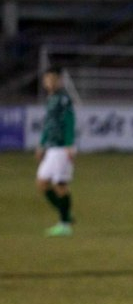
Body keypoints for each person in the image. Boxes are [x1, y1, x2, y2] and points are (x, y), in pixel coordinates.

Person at [35, 66, 76, 237]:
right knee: (42, 183)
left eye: (52, 79)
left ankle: (64, 224)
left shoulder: (64, 99)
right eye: (46, 79)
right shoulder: (51, 98)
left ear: (59, 80)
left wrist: (69, 144)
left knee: (60, 185)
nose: (48, 82)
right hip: (51, 147)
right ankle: (66, 215)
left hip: (61, 147)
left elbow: (69, 121)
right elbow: (48, 124)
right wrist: (42, 144)